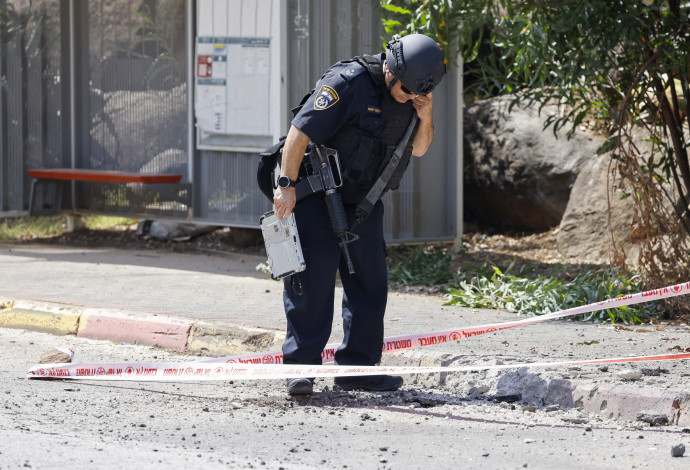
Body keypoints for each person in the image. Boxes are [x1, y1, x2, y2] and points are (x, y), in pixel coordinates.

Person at [272, 34, 446, 395]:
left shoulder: (415, 96)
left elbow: (421, 148)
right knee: (312, 286)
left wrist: (425, 114)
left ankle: (359, 369)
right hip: (316, 199)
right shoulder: (347, 83)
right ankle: (299, 369)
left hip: (364, 205)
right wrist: (286, 184)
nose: (411, 97)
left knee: (370, 285)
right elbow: (300, 132)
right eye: (407, 90)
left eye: (418, 93)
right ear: (390, 69)